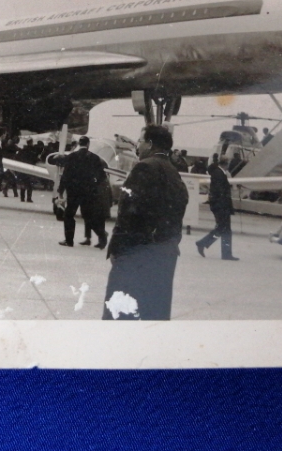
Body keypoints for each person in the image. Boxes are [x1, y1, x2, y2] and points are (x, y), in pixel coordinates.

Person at [101, 125, 189, 321]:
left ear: (149, 143)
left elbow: (128, 213)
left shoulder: (144, 167)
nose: (137, 146)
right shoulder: (173, 172)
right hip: (164, 255)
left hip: (136, 256)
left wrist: (118, 250)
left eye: (140, 141)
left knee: (120, 313)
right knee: (154, 313)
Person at [58, 136, 108, 247]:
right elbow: (102, 176)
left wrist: (60, 190)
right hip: (88, 192)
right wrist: (94, 185)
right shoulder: (94, 158)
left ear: (78, 144)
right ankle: (102, 234)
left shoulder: (71, 157)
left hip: (73, 191)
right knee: (89, 216)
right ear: (88, 144)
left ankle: (69, 240)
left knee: (69, 215)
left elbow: (65, 175)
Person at [196, 154, 238, 260]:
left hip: (220, 205)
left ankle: (224, 252)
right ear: (227, 164)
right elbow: (221, 192)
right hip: (221, 206)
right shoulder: (219, 174)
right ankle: (204, 244)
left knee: (223, 229)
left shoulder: (218, 173)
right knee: (223, 229)